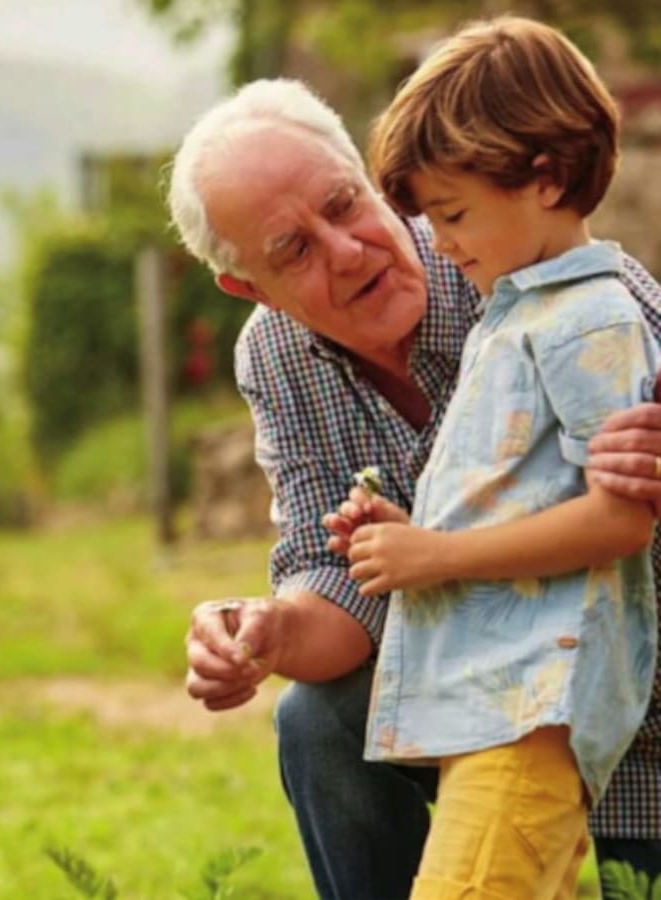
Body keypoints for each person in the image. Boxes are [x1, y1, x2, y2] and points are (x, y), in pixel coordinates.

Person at [166, 64, 661, 900]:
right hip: (477, 705)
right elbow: (343, 578)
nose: (349, 249)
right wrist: (270, 632)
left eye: (342, 205)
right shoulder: (275, 355)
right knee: (318, 720)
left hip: (630, 695)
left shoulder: (522, 255)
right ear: (248, 288)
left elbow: (622, 510)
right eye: (295, 250)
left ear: (369, 175)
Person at [322, 18, 657, 897]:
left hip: (534, 712)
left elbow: (619, 517)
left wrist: (438, 556)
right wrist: (410, 534)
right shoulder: (516, 313)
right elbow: (525, 496)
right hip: (491, 709)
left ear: (544, 179)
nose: (441, 241)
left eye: (455, 213)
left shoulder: (592, 317)